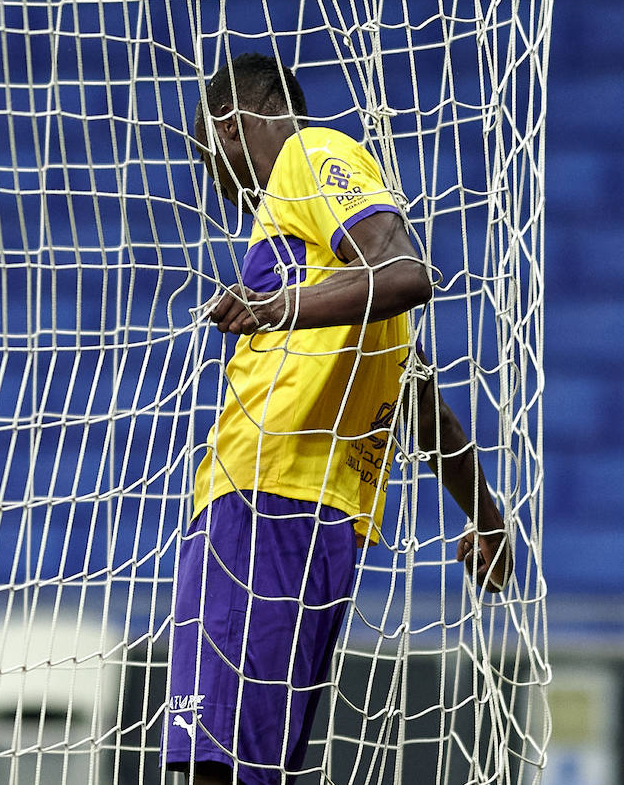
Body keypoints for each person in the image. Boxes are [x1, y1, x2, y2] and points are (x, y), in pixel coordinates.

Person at [162, 53, 509, 785]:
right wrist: (485, 514)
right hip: (320, 519)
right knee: (247, 768)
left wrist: (273, 307)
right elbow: (417, 400)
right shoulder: (335, 273)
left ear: (228, 125)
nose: (218, 186)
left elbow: (406, 272)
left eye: (207, 156)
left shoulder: (307, 154)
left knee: (219, 769)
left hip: (259, 506)